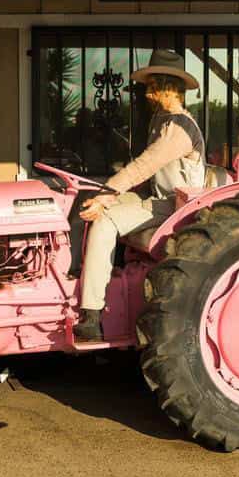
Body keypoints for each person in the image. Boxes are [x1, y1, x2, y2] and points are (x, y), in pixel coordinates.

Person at [74, 49, 205, 341]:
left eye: (150, 86)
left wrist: (107, 196)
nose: (146, 92)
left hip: (176, 207)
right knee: (85, 201)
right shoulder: (162, 119)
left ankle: (91, 315)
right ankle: (77, 274)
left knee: (104, 218)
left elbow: (144, 165)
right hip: (154, 198)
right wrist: (105, 194)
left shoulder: (181, 128)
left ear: (166, 87)